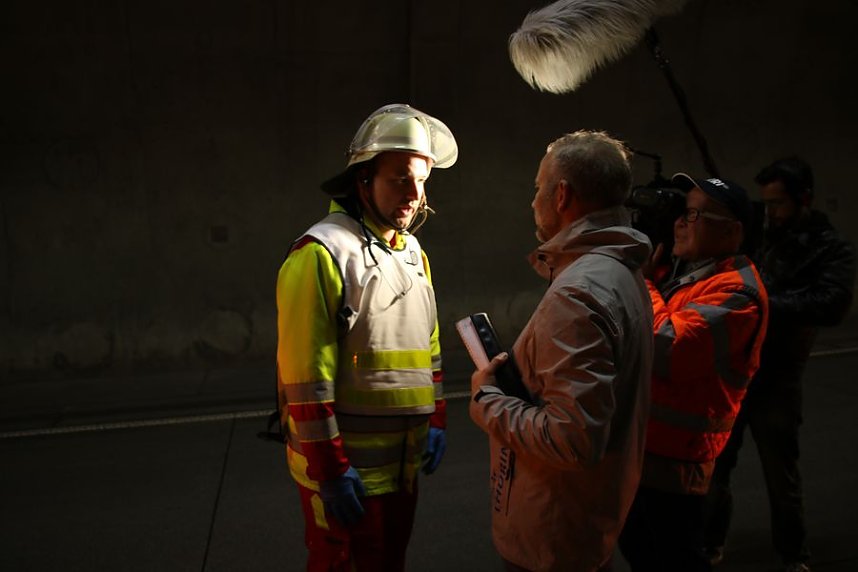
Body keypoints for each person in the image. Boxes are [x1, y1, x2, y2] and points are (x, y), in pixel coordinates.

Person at [276, 103, 457, 571]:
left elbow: (429, 348)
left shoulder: (413, 252)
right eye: (399, 178)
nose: (414, 195)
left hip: (403, 468)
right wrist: (331, 472)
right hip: (346, 474)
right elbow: (304, 379)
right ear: (362, 180)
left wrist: (436, 419)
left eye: (421, 180)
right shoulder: (320, 254)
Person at [469, 130, 655, 572]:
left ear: (562, 195)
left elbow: (572, 441)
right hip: (590, 514)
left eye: (538, 187)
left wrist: (487, 401)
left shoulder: (577, 294)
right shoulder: (621, 270)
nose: (533, 199)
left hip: (554, 528)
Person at [704, 157, 856, 572]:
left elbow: (831, 303)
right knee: (716, 465)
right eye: (765, 204)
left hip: (778, 373)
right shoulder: (759, 230)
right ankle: (710, 543)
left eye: (778, 205)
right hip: (736, 369)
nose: (769, 213)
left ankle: (793, 556)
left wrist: (762, 305)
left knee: (780, 473)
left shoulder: (828, 245)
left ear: (803, 199)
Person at [618, 174, 770, 572]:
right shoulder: (691, 272)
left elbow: (668, 349)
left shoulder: (739, 293)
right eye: (681, 213)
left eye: (693, 214)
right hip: (649, 450)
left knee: (674, 559)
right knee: (642, 552)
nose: (680, 223)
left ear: (733, 231)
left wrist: (643, 281)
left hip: (677, 464)